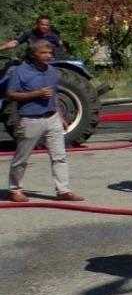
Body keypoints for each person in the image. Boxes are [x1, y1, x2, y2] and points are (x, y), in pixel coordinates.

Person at [6, 40, 83, 203]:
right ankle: (15, 189)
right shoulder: (20, 72)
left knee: (59, 156)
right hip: (30, 120)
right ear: (33, 54)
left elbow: (54, 95)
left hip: (52, 118)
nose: (48, 56)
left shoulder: (52, 72)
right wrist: (35, 94)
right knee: (22, 157)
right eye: (44, 53)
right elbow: (11, 94)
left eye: (50, 53)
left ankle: (63, 190)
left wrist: (60, 117)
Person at [1, 16, 65, 53]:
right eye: (42, 24)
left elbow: (62, 49)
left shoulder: (54, 36)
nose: (45, 27)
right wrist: (1, 48)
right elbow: (15, 42)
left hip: (49, 61)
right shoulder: (29, 34)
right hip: (31, 60)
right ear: (37, 24)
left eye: (47, 25)